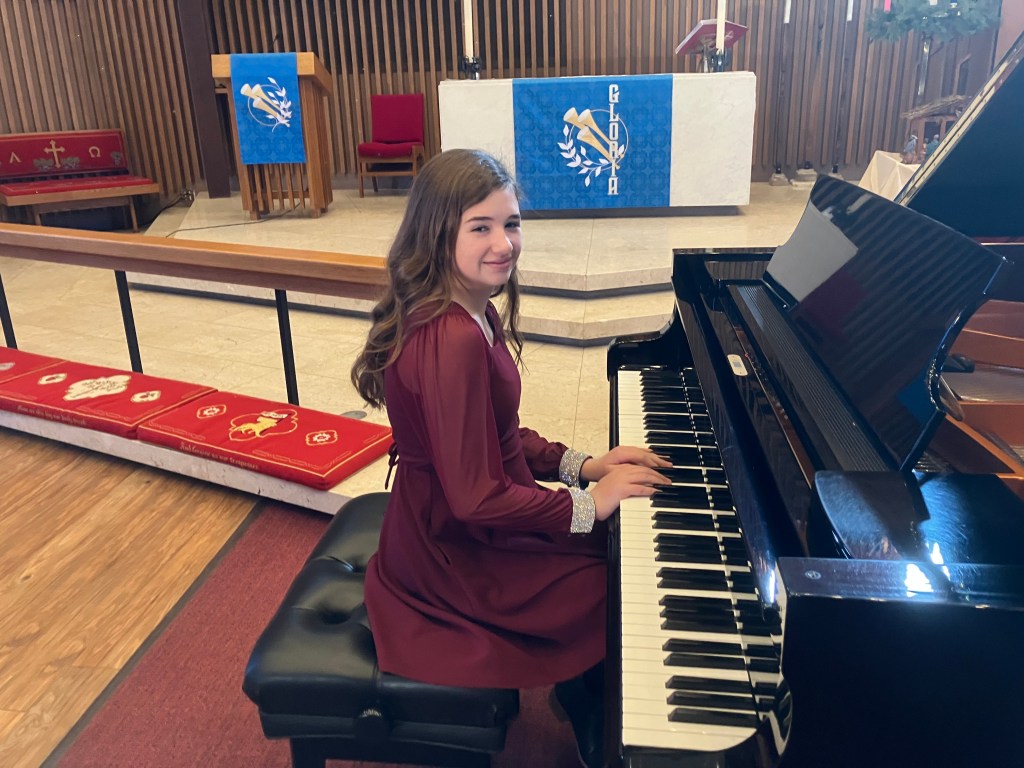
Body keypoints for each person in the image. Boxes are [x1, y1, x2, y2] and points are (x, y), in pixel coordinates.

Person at [350, 148, 671, 767]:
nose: (504, 244)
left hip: (458, 520)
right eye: (481, 227)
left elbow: (498, 433)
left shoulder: (472, 308)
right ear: (438, 232)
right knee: (611, 579)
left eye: (512, 223)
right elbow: (474, 498)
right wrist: (587, 505)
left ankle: (583, 688)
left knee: (609, 548)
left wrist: (586, 467)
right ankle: (592, 707)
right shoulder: (450, 337)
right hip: (449, 550)